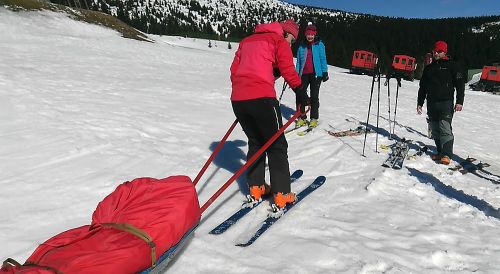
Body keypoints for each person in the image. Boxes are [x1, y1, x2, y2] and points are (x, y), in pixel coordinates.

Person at [230, 19, 308, 210]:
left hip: (238, 99)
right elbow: (288, 68)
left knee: (256, 141)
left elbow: (234, 71)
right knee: (276, 145)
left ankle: (256, 187)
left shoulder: (247, 41)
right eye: (292, 40)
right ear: (286, 34)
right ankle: (281, 194)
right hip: (263, 98)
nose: (290, 44)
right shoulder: (278, 42)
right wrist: (300, 90)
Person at [417, 40, 465, 165]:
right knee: (434, 128)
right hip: (431, 103)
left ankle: (447, 154)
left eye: (440, 51)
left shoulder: (452, 66)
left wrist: (459, 101)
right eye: (435, 51)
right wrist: (419, 103)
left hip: (446, 102)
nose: (437, 53)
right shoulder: (429, 68)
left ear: (445, 52)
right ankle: (440, 152)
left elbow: (460, 85)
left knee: (445, 128)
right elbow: (422, 87)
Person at [294, 23, 329, 128]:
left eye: (312, 35)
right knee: (300, 95)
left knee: (314, 96)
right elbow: (299, 62)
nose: (310, 37)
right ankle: (301, 117)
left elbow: (323, 59)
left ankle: (314, 118)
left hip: (316, 74)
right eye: (308, 35)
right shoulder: (301, 46)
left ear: (315, 34)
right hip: (303, 74)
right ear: (305, 35)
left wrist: (325, 72)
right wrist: (296, 74)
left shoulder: (319, 45)